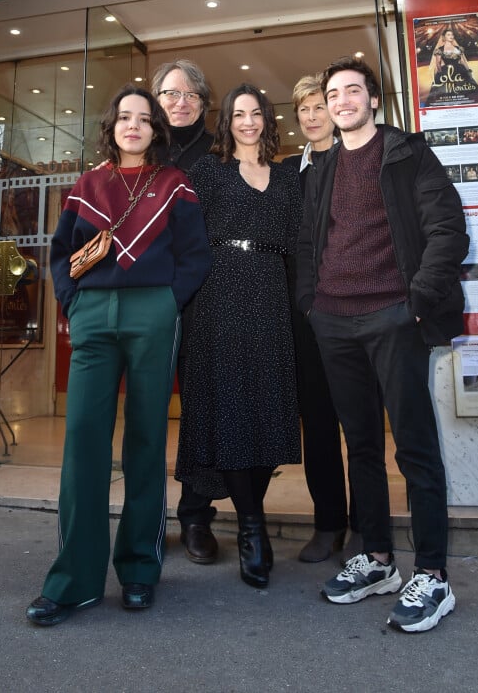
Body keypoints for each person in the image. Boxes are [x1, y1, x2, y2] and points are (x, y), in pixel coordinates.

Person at [26, 85, 211, 626]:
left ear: (157, 130)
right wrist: (74, 302)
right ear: (112, 126)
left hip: (152, 314)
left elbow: (194, 256)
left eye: (144, 119)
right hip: (93, 314)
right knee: (83, 439)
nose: (133, 125)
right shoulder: (86, 186)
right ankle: (73, 581)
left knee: (148, 439)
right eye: (124, 117)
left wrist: (166, 302)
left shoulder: (175, 184)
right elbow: (62, 254)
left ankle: (138, 569)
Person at [296, 56, 469, 633]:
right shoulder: (320, 169)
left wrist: (415, 302)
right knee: (360, 445)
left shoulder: (406, 155)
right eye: (332, 93)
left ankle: (434, 575)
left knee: (414, 445)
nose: (341, 100)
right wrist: (312, 304)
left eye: (352, 90)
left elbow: (448, 230)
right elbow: (308, 242)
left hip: (395, 317)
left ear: (374, 99)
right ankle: (376, 559)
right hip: (334, 322)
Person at [175, 83, 302, 589]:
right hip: (218, 295)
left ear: (268, 120)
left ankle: (253, 515)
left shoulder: (289, 176)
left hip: (273, 295)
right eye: (238, 114)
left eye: (256, 113)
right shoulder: (207, 171)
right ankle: (253, 529)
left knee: (270, 411)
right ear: (225, 122)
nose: (247, 121)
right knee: (228, 410)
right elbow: (184, 240)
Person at [283, 74, 360, 564]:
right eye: (304, 110)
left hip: (357, 314)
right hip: (307, 318)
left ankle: (368, 528)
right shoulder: (290, 172)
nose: (312, 116)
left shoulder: (357, 159)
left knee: (361, 424)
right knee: (318, 423)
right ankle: (328, 523)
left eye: (319, 106)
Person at [151, 59, 219, 565]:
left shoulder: (220, 152)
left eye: (190, 94)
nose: (180, 102)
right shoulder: (138, 148)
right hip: (144, 297)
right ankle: (146, 519)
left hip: (206, 296)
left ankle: (196, 515)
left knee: (200, 406)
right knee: (147, 409)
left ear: (203, 102)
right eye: (170, 94)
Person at [426, 28, 478, 106]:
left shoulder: (458, 48)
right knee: (446, 91)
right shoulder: (440, 50)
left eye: (452, 34)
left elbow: (462, 61)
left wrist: (468, 70)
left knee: (466, 90)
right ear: (444, 37)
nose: (451, 36)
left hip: (460, 70)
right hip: (447, 71)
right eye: (448, 35)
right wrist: (441, 74)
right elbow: (438, 63)